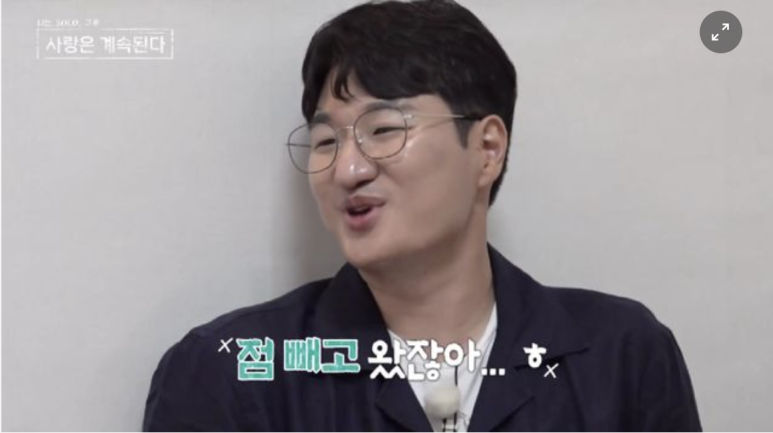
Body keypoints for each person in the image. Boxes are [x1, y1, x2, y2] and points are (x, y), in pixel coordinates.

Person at [143, 0, 702, 431]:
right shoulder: (233, 372)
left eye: (384, 130)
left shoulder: (620, 355)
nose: (348, 170)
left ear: (487, 149)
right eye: (325, 141)